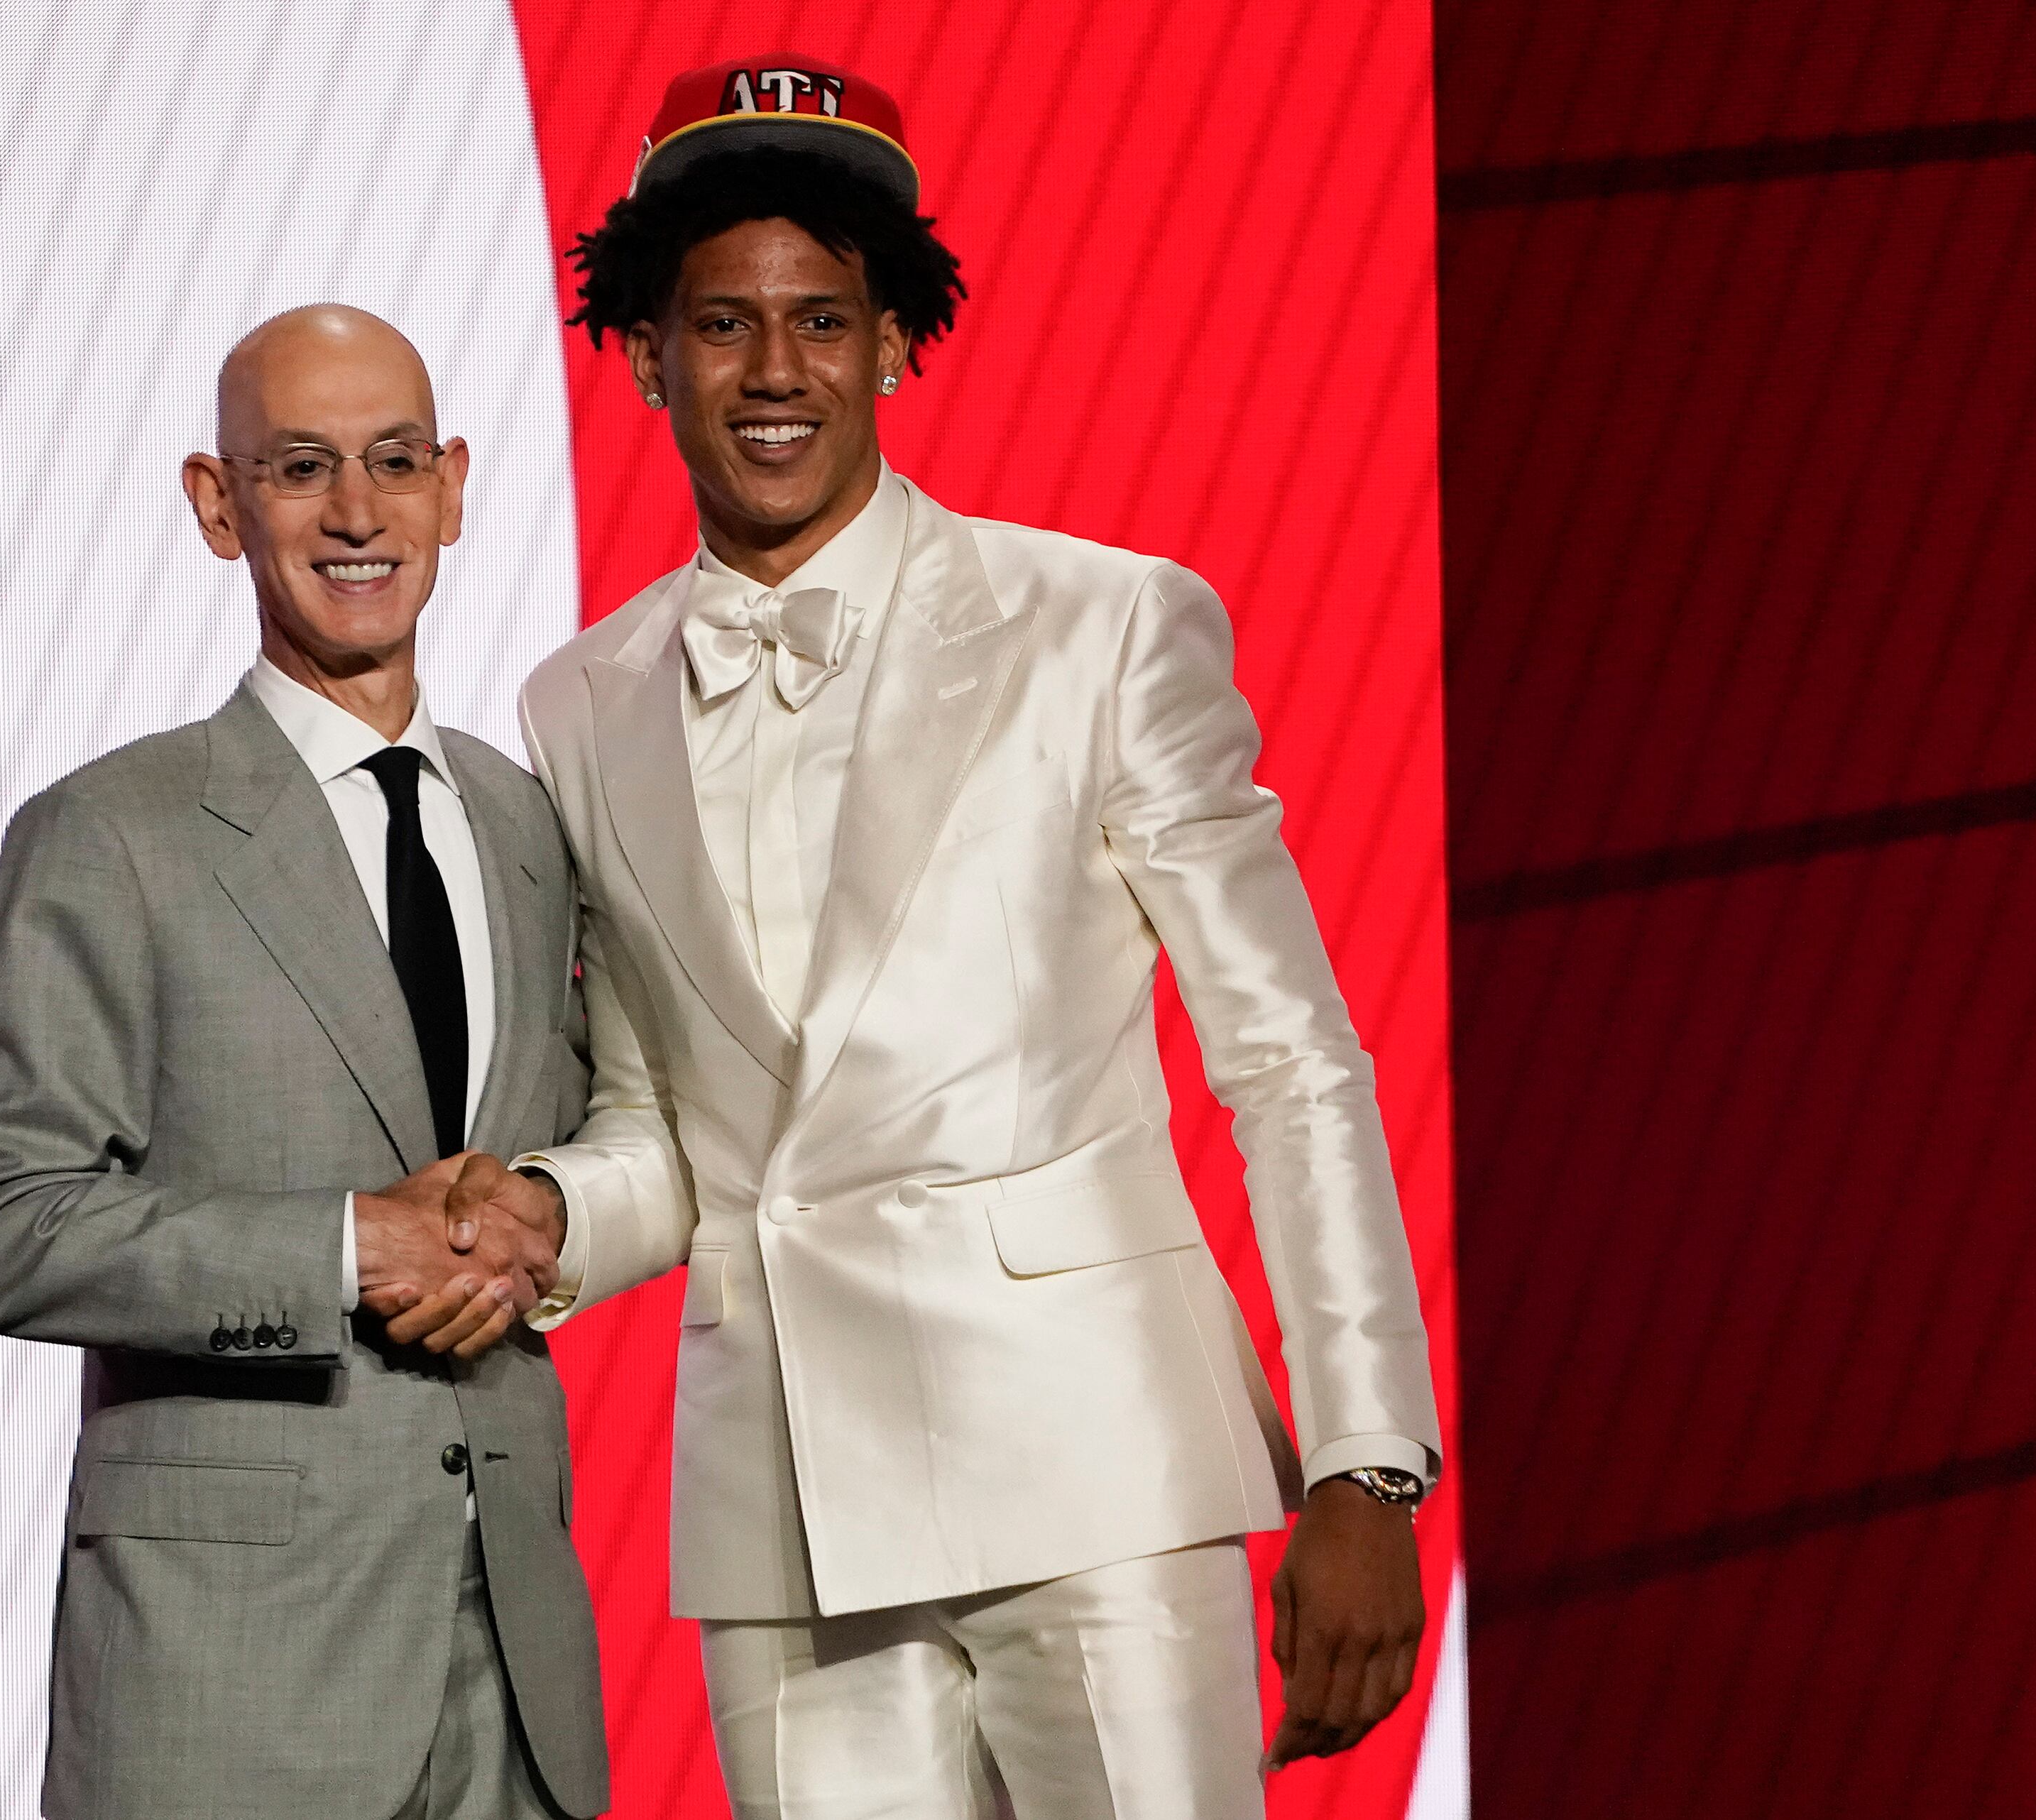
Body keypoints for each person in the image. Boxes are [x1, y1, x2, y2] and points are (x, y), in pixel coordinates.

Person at [458, 53, 1443, 1819]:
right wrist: (540, 1222)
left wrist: (1366, 1461)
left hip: (1101, 1471)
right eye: (724, 325)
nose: (776, 374)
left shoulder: (1107, 624)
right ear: (644, 354)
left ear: (897, 341)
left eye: (824, 321)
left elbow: (1289, 1059)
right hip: (785, 1518)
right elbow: (667, 1134)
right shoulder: (576, 699)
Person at [0, 305, 605, 1820]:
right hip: (227, 1691)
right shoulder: (109, 833)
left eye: (394, 462)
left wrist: (545, 1213)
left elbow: (573, 1152)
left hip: (515, 1680)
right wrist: (334, 1250)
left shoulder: (527, 825)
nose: (358, 514)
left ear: (455, 486)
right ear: (216, 502)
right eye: (302, 468)